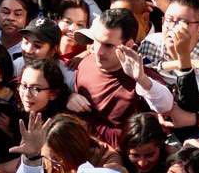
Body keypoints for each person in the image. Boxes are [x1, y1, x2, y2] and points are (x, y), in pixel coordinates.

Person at [73, 8, 174, 147]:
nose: (99, 52)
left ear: (128, 45)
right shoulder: (85, 64)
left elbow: (165, 105)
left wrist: (142, 80)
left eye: (108, 45)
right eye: (97, 41)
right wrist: (68, 97)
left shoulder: (142, 78)